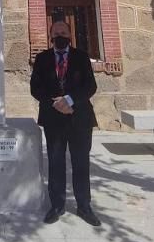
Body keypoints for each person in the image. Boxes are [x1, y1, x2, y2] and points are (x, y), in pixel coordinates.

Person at [30, 20, 101, 227]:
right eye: (56, 32)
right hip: (53, 120)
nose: (59, 34)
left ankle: (84, 206)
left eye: (63, 31)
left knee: (80, 163)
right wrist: (57, 102)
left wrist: (69, 100)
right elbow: (35, 87)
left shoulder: (81, 57)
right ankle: (57, 205)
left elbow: (90, 86)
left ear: (69, 34)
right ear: (50, 35)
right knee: (56, 162)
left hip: (80, 118)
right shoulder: (42, 59)